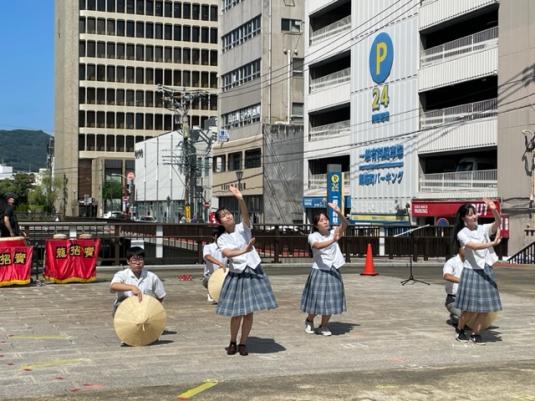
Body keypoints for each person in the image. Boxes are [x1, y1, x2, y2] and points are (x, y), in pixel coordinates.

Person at [215, 184, 277, 356]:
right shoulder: (221, 238)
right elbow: (228, 253)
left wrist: (240, 198)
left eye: (228, 213)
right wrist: (245, 250)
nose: (228, 216)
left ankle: (243, 343)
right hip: (237, 274)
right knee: (237, 313)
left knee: (249, 312)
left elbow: (245, 214)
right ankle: (232, 341)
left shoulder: (243, 228)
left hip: (253, 270)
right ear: (220, 222)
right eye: (224, 216)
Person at [453, 199, 502, 344]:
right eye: (470, 214)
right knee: (469, 309)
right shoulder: (462, 233)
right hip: (471, 271)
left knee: (485, 308)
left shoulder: (483, 228)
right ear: (463, 218)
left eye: (474, 213)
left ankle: (475, 333)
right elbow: (474, 246)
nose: (474, 216)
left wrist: (494, 210)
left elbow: (497, 223)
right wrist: (492, 243)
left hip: (486, 269)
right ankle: (461, 330)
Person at [301, 203, 348, 336]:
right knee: (318, 300)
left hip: (333, 270)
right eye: (321, 220)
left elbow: (344, 225)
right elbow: (317, 246)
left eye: (326, 219)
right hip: (320, 270)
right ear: (316, 225)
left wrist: (339, 212)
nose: (325, 222)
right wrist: (333, 240)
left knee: (331, 300)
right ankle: (309, 320)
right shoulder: (313, 236)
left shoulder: (333, 232)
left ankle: (324, 325)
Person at [110, 246, 166, 316]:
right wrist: (132, 287)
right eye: (134, 260)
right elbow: (114, 286)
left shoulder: (152, 276)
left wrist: (153, 308)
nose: (138, 263)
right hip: (125, 312)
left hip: (144, 312)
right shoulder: (122, 274)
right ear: (128, 261)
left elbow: (161, 295)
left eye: (140, 259)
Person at [202, 227, 227, 304]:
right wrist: (219, 263)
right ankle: (211, 292)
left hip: (223, 276)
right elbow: (207, 256)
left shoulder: (226, 247)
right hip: (210, 276)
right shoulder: (208, 247)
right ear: (214, 236)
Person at [443, 247, 465, 327]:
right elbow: (447, 276)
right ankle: (455, 317)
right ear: (460, 250)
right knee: (464, 315)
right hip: (454, 299)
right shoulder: (451, 262)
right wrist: (463, 281)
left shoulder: (471, 263)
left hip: (469, 298)